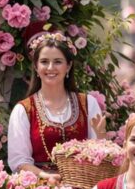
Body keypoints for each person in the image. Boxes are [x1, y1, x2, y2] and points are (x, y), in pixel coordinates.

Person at [7, 31, 107, 177]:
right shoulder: (23, 110)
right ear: (36, 66)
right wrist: (45, 176)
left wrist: (101, 137)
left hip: (83, 188)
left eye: (58, 62)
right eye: (44, 61)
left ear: (68, 66)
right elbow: (19, 161)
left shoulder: (87, 104)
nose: (50, 68)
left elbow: (101, 156)